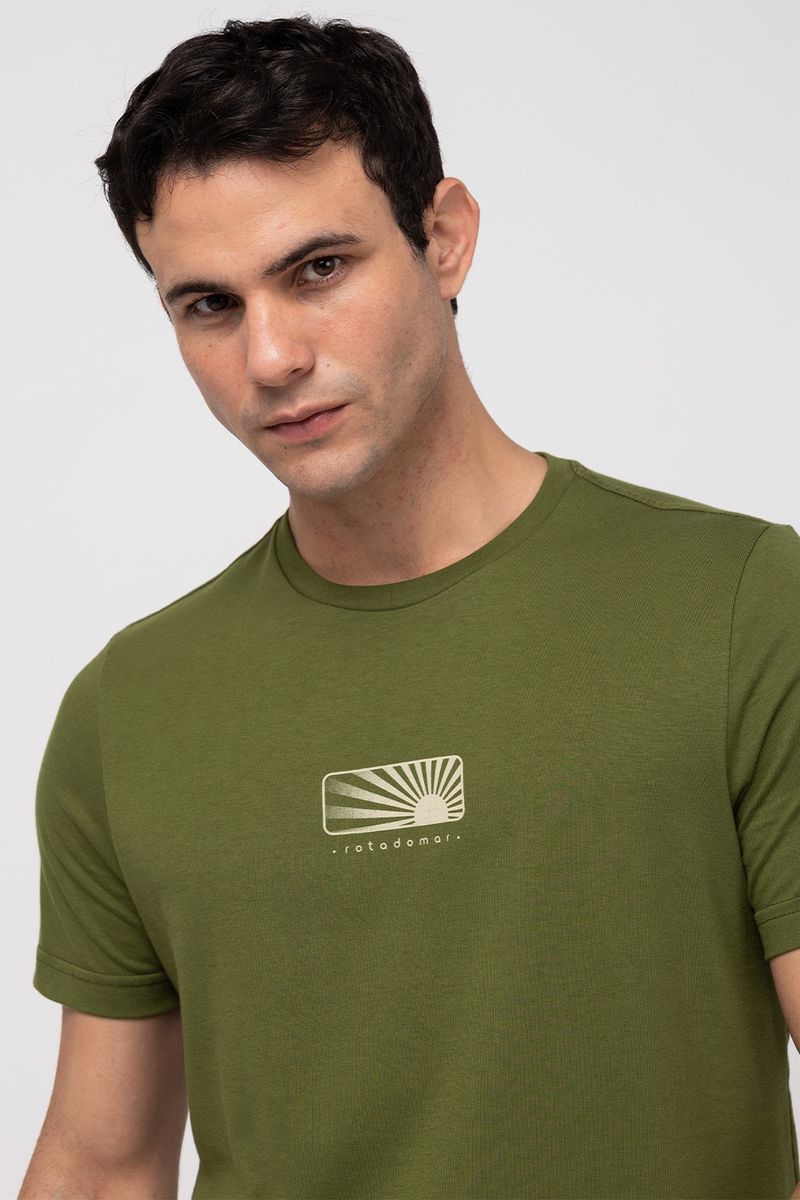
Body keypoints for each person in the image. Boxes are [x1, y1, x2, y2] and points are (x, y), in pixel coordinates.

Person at [20, 14, 800, 1200]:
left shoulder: (739, 606)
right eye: (208, 306)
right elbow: (103, 1166)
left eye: (317, 270)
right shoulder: (127, 710)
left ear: (442, 239)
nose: (270, 357)